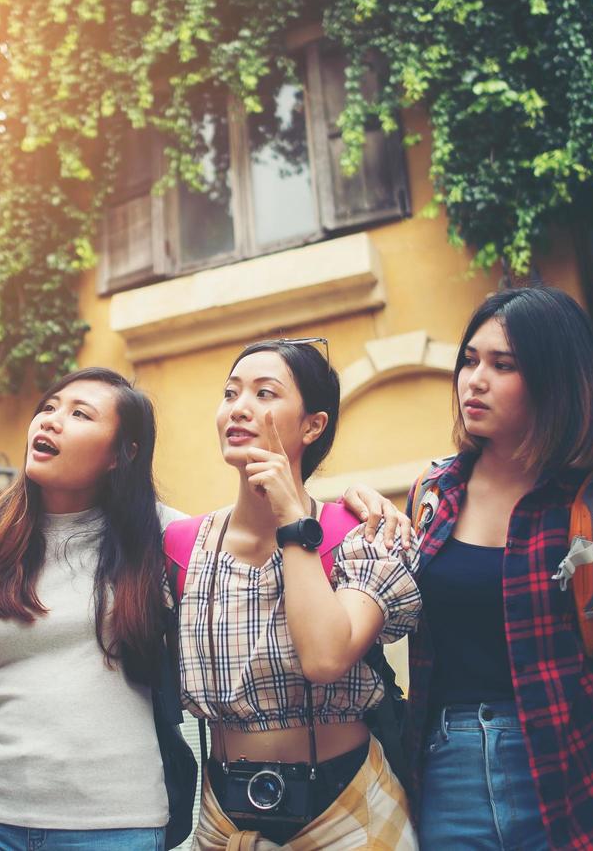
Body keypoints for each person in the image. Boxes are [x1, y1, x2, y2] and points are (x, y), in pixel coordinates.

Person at [0, 366, 400, 850]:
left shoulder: (170, 539)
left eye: (80, 414)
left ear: (122, 453)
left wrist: (351, 504)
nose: (49, 420)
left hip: (117, 823)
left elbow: (257, 540)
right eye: (48, 407)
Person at [403, 286, 593, 850]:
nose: (474, 379)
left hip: (574, 772)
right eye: (469, 359)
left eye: (502, 365)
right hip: (447, 773)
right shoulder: (433, 494)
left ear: (554, 379)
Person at [177, 338, 421, 850]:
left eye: (265, 393)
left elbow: (326, 658)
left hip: (348, 811)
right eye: (230, 393)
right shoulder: (180, 546)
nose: (239, 408)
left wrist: (294, 520)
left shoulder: (358, 535)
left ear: (313, 425)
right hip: (224, 822)